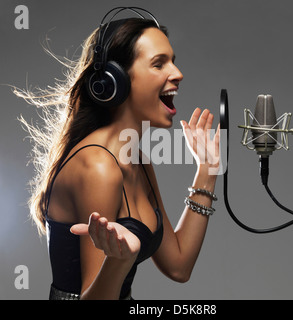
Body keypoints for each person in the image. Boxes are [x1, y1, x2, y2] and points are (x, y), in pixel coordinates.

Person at [16, 10, 220, 300]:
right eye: (159, 64)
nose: (177, 73)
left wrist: (207, 171)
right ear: (116, 80)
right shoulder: (98, 168)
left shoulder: (137, 158)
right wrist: (119, 260)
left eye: (173, 61)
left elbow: (178, 266)